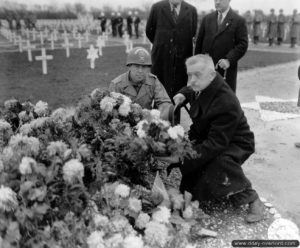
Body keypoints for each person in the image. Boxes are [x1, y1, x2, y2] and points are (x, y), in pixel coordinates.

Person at [158, 54, 264, 223]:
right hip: (213, 138)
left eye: (197, 75)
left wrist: (184, 157)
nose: (191, 80)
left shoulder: (226, 101)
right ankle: (215, 190)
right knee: (190, 185)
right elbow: (194, 90)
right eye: (189, 74)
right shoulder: (205, 85)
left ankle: (251, 197)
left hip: (235, 143)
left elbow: (216, 145)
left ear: (212, 74)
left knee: (216, 163)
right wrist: (183, 93)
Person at [146, 0, 197, 123]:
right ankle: (156, 126)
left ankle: (175, 126)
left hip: (181, 61)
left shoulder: (191, 10)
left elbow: (193, 32)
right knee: (159, 91)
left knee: (177, 94)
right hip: (161, 60)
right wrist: (163, 46)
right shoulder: (157, 8)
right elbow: (149, 31)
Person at [195, 0, 248, 93]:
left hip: (225, 70)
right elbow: (199, 44)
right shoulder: (207, 19)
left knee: (224, 101)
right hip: (206, 69)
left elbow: (243, 44)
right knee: (204, 100)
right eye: (215, 0)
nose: (217, 2)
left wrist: (228, 59)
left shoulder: (238, 20)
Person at [108, 47, 174, 121]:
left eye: (144, 67)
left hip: (147, 122)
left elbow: (164, 102)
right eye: (136, 66)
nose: (140, 71)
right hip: (124, 124)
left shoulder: (153, 81)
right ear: (129, 66)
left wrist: (160, 114)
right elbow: (110, 110)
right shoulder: (117, 84)